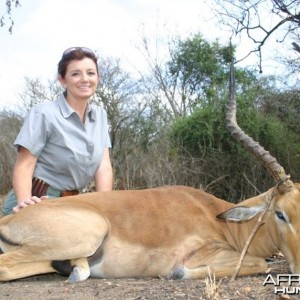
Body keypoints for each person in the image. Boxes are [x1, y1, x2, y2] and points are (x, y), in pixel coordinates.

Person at [2, 47, 113, 215]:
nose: (85, 79)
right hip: (38, 199)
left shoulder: (100, 116)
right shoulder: (44, 113)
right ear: (62, 80)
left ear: (98, 77)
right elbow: (24, 164)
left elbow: (103, 166)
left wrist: (105, 208)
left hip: (73, 203)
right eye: (75, 74)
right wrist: (25, 204)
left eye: (90, 73)